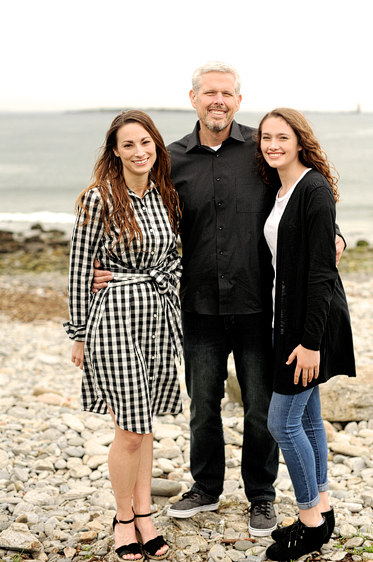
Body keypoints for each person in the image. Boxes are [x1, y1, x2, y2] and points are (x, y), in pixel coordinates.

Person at [92, 62, 346, 537]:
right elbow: (142, 215)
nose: (218, 101)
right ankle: (205, 486)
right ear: (193, 98)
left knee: (258, 406)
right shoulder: (171, 159)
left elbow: (302, 203)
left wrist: (336, 235)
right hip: (198, 305)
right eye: (209, 93)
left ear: (238, 100)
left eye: (226, 93)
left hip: (259, 305)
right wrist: (111, 269)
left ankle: (262, 497)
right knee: (203, 403)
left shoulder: (261, 150)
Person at [65, 110, 180, 561]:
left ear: (156, 146)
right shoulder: (98, 199)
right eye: (128, 145)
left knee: (145, 424)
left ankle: (146, 512)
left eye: (145, 143)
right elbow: (78, 269)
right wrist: (79, 334)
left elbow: (173, 259)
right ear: (114, 151)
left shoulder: (162, 196)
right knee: (130, 429)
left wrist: (155, 280)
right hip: (113, 319)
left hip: (156, 318)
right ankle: (123, 519)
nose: (139, 152)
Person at [251, 108, 356, 561]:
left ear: (299, 141)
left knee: (281, 422)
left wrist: (310, 342)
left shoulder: (312, 188)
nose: (273, 145)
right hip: (285, 318)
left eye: (282, 137)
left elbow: (319, 272)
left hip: (307, 325)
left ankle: (310, 522)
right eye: (266, 138)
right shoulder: (280, 188)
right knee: (309, 418)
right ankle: (324, 510)